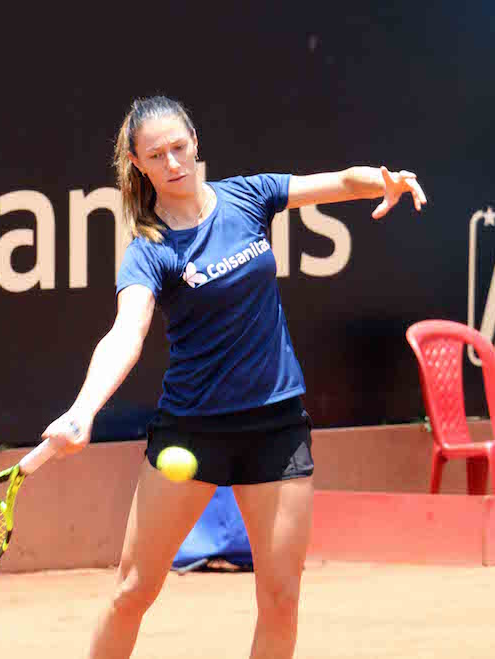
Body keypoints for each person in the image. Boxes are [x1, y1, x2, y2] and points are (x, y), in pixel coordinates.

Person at [38, 95, 427, 659]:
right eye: (157, 154)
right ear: (138, 163)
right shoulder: (149, 250)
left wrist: (381, 181)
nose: (172, 162)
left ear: (195, 140)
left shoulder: (249, 195)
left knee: (281, 599)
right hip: (192, 430)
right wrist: (84, 408)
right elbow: (127, 332)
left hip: (276, 426)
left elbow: (340, 183)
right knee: (132, 591)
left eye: (179, 146)